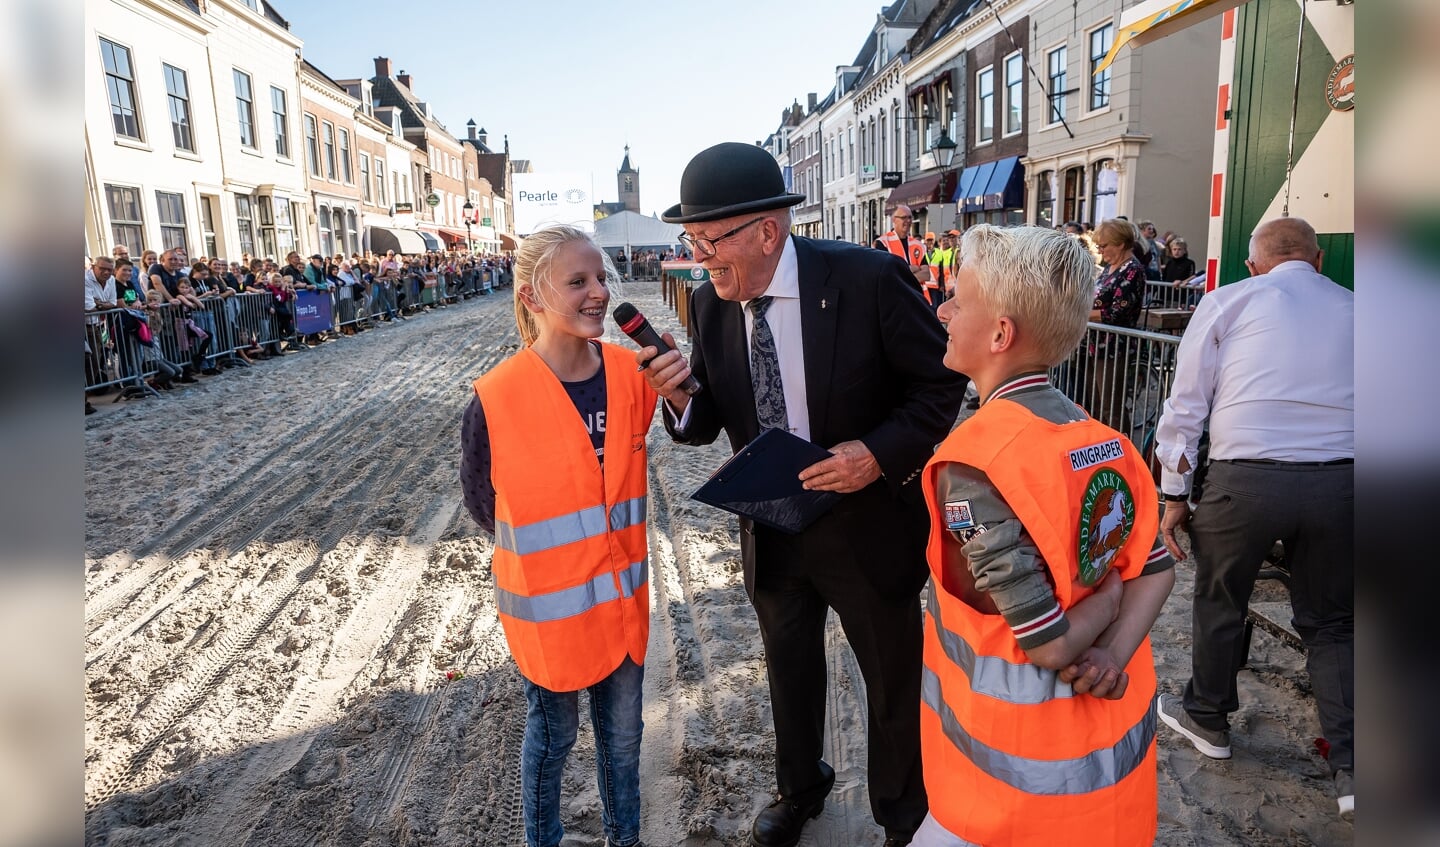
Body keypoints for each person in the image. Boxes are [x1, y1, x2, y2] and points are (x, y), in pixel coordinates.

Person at [643, 142, 967, 847]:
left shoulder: (870, 278)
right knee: (788, 672)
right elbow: (706, 420)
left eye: (711, 240)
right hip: (772, 527)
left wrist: (875, 456)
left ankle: (901, 815)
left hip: (866, 522)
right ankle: (801, 787)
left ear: (768, 230)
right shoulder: (708, 302)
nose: (701, 257)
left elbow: (941, 385)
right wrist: (678, 401)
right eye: (691, 240)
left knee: (889, 680)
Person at [907, 224, 1174, 846]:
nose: (942, 309)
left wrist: (1106, 602)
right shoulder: (1106, 441)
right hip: (1105, 774)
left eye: (957, 298)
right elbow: (1156, 566)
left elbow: (1047, 645)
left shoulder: (974, 461)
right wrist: (1112, 650)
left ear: (1000, 334)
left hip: (1003, 787)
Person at [1153, 216, 1354, 822]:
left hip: (1245, 480)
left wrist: (1174, 494)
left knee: (1222, 599)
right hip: (1341, 479)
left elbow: (1185, 409)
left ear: (1253, 265)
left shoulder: (1228, 302)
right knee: (1334, 623)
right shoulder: (1360, 309)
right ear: (1318, 261)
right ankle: (1352, 767)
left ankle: (1208, 718)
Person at [460, 225, 656, 847]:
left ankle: (624, 838)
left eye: (600, 278)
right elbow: (484, 504)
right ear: (532, 296)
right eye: (578, 281)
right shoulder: (497, 398)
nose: (598, 292)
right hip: (552, 610)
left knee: (624, 740)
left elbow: (689, 423)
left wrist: (679, 385)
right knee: (554, 739)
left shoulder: (631, 373)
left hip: (624, 602)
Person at [873, 204, 932, 299]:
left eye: (910, 217)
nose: (908, 221)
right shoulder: (883, 243)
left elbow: (926, 275)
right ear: (894, 220)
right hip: (895, 299)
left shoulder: (918, 245)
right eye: (904, 217)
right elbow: (888, 274)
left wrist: (903, 276)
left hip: (917, 299)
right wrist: (916, 268)